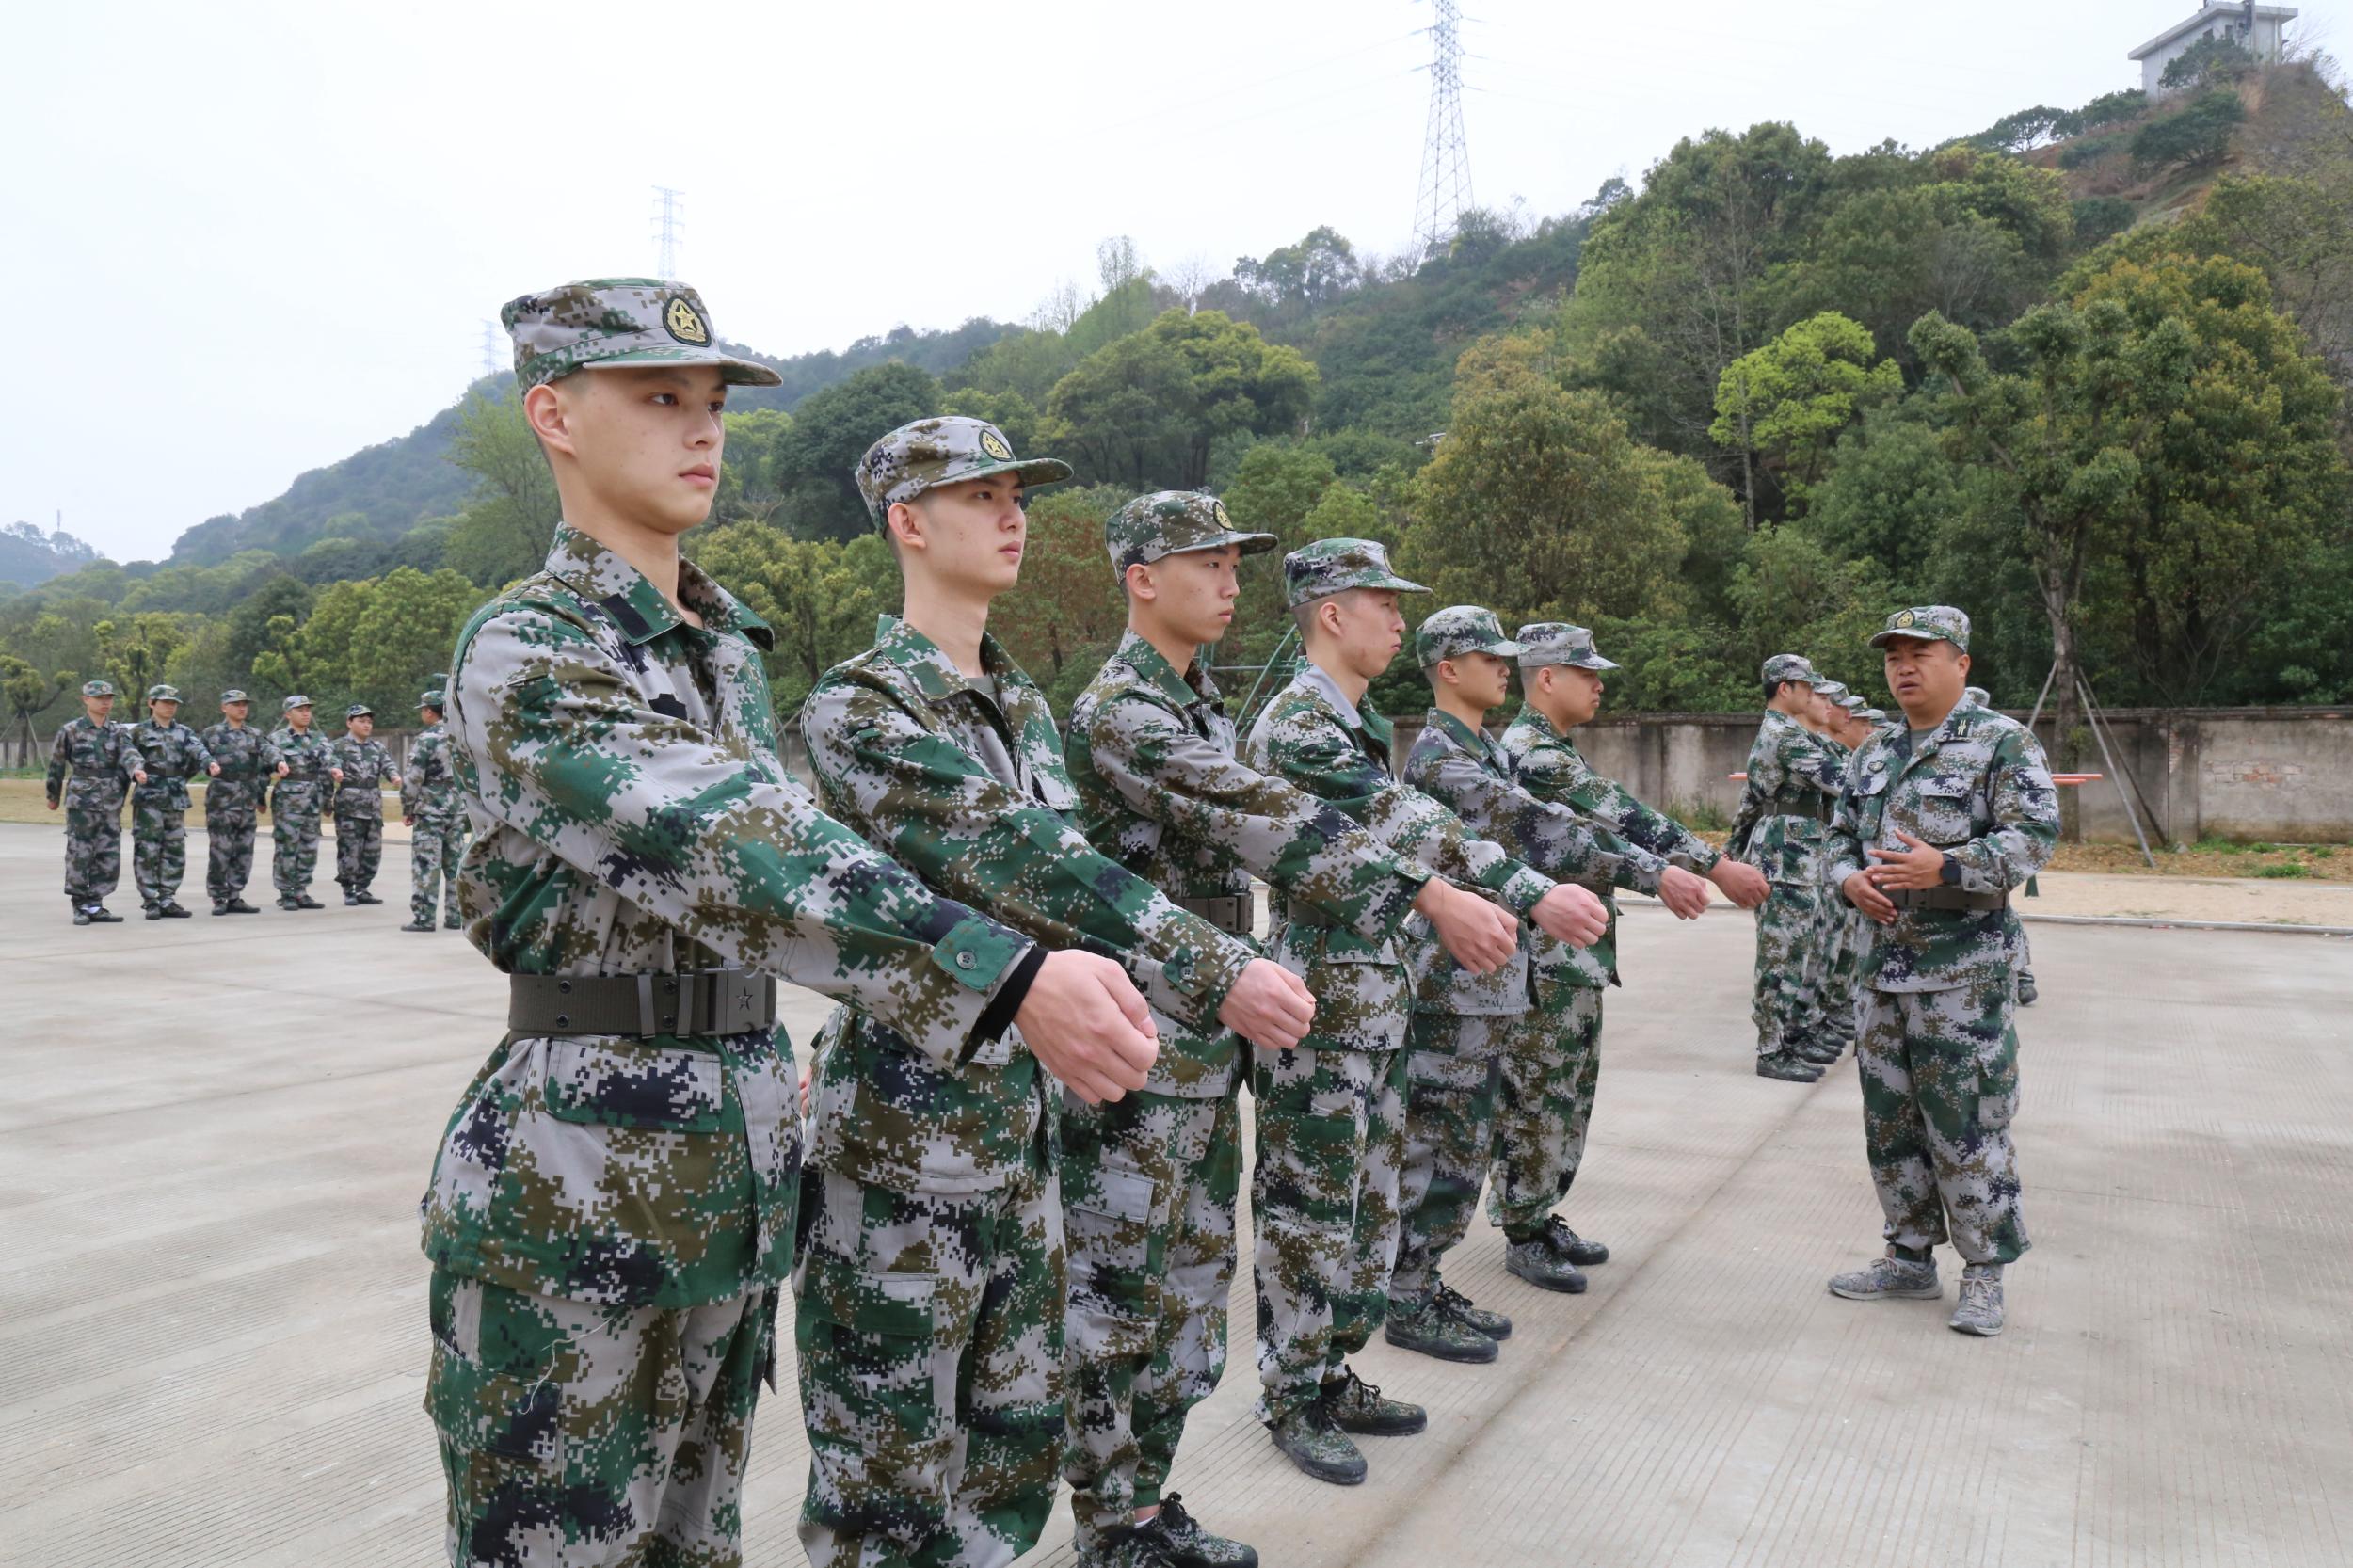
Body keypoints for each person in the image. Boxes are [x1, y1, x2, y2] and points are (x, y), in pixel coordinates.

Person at [421, 278, 1134, 1568]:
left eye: (711, 404)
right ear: (554, 416)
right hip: (576, 1163)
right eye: (658, 398)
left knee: (699, 1541)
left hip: (734, 1150)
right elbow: (746, 852)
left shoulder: (726, 649)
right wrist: (1004, 971)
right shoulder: (527, 644)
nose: (702, 429)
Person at [798, 421, 1315, 1567]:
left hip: (1023, 1122)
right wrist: (1215, 961)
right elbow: (1022, 855)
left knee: (1011, 1449)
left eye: (1016, 492)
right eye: (977, 494)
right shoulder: (862, 704)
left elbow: (1071, 895)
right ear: (908, 522)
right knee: (890, 1469)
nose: (1011, 513)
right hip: (901, 1133)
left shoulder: (1020, 704)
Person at [1062, 494, 1514, 1564]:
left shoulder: (1200, 699)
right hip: (1137, 1033)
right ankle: (1107, 1519)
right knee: (1119, 1295)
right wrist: (1428, 894)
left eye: (1234, 562)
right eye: (1207, 562)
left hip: (1202, 1029)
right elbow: (1263, 815)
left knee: (1187, 1287)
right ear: (1140, 576)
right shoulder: (1126, 708)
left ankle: (1137, 1509)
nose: (1230, 582)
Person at [1242, 541, 1606, 1485]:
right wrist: (1527, 890)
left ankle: (1330, 1370)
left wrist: (1516, 892)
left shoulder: (1350, 719)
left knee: (1364, 1213)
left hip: (1371, 1000)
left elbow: (1418, 830)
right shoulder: (1298, 727)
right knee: (1308, 1214)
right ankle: (1291, 1393)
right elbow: (1419, 832)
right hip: (1319, 1006)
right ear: (1330, 613)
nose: (1399, 621)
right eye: (1380, 603)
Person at [1392, 607, 1691, 1352]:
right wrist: (1657, 871)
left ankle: (1423, 1283)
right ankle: (1406, 1293)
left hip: (1489, 977)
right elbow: (1533, 827)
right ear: (1448, 669)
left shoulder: (1485, 748)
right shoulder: (1441, 758)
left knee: (1465, 1144)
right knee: (1440, 1145)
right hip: (1450, 980)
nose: (1507, 667)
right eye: (1489, 656)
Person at [1489, 622, 1772, 1284]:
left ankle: (1539, 1213)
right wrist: (1712, 864)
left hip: (1572, 952)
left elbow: (1608, 832)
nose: (1599, 683)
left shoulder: (1557, 749)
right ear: (1547, 678)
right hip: (1543, 956)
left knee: (1566, 1091)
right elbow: (1623, 814)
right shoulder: (1533, 754)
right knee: (1539, 1092)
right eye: (1585, 672)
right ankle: (1522, 1224)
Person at [1824, 608, 2057, 1338]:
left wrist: (1950, 864)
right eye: (1894, 656)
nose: (1903, 667)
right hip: (1882, 971)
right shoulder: (1874, 751)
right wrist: (1844, 880)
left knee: (1968, 1125)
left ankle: (1984, 1274)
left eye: (1920, 653)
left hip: (1963, 975)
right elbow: (1838, 837)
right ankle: (1908, 1257)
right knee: (1889, 1124)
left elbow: (2035, 837)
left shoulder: (2001, 743)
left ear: (1961, 661)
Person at [1728, 655, 1849, 1081]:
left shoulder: (1793, 733)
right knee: (1782, 954)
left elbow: (1748, 805)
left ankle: (1795, 1034)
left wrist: (1732, 847)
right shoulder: (1784, 736)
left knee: (1806, 948)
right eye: (1807, 687)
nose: (1814, 695)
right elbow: (1844, 780)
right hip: (1785, 855)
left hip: (1802, 851)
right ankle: (1772, 1048)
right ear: (1785, 689)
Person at [44, 678, 141, 924]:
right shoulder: (71, 730)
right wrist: (52, 795)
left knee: (108, 854)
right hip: (82, 801)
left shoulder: (119, 732)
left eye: (109, 699)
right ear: (86, 700)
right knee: (80, 853)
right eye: (100, 698)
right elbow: (56, 764)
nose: (105, 703)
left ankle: (96, 904)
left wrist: (137, 769)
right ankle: (79, 904)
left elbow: (129, 754)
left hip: (111, 801)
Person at [123, 683, 220, 919]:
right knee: (148, 849)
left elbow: (198, 750)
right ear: (151, 704)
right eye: (165, 702)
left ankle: (167, 897)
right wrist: (136, 769)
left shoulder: (184, 732)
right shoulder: (139, 732)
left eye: (173, 703)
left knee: (174, 850)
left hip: (175, 799)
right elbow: (127, 753)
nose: (170, 707)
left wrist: (209, 763)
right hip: (149, 798)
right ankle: (150, 900)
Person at [200, 688, 285, 915]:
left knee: (244, 849)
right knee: (221, 850)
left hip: (246, 799)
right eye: (236, 704)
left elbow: (269, 750)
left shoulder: (254, 734)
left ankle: (235, 895)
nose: (242, 708)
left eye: (244, 704)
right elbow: (198, 756)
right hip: (221, 799)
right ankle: (219, 896)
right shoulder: (211, 734)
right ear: (224, 707)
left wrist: (279, 763)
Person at [401, 689, 467, 934]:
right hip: (457, 809)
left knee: (426, 865)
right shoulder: (461, 735)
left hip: (430, 810)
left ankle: (424, 917)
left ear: (429, 711)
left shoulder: (427, 739)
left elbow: (413, 778)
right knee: (455, 865)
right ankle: (455, 916)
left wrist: (408, 807)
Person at [268, 695, 341, 910]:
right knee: (287, 846)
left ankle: (301, 890)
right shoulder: (277, 739)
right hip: (288, 801)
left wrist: (333, 777)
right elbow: (266, 764)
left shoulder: (319, 738)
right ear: (288, 714)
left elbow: (329, 759)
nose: (306, 713)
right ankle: (286, 891)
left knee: (309, 846)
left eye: (308, 709)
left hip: (312, 799)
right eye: (300, 709)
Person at [331, 703, 395, 905]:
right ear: (349, 722)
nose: (367, 725)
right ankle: (348, 889)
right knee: (350, 850)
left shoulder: (377, 747)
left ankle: (363, 888)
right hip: (349, 809)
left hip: (373, 807)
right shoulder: (339, 746)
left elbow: (388, 765)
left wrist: (394, 776)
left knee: (372, 852)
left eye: (369, 722)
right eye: (361, 721)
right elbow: (329, 765)